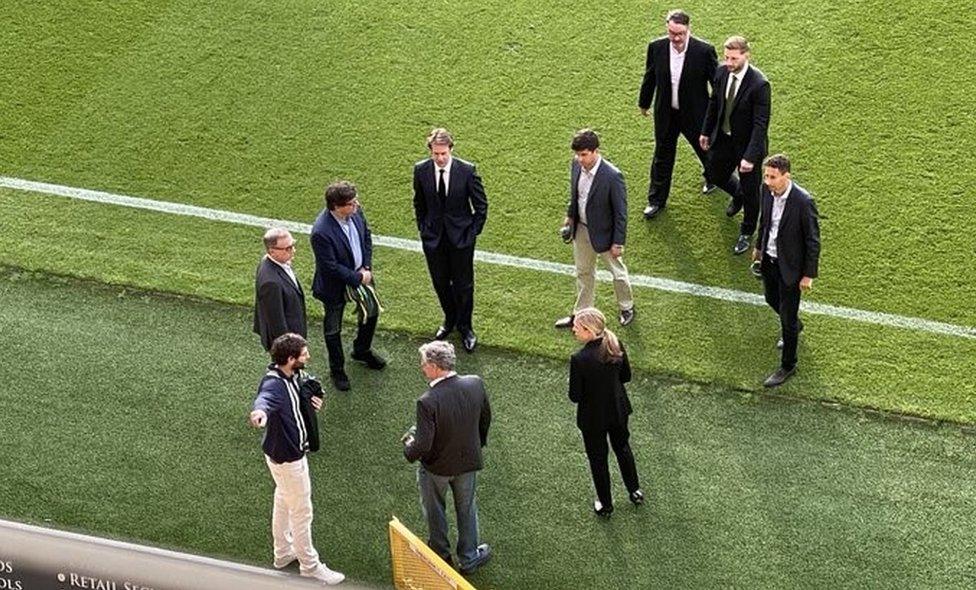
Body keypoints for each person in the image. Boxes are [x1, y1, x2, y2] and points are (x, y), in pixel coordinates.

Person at [248, 333, 345, 586]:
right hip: (289, 460)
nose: (308, 357)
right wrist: (260, 414)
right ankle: (310, 566)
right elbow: (264, 402)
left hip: (282, 457)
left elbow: (296, 403)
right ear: (291, 359)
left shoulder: (290, 376)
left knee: (283, 500)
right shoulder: (274, 385)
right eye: (304, 354)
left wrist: (313, 403)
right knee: (302, 513)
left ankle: (282, 554)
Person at [402, 340, 492, 575]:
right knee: (467, 509)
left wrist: (408, 448)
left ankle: (441, 557)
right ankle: (469, 559)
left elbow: (423, 443)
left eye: (423, 364)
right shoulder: (476, 383)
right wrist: (476, 445)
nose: (422, 368)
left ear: (433, 366)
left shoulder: (427, 401)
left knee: (435, 511)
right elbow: (485, 420)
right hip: (468, 462)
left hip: (436, 469)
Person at [637, 9, 719, 219]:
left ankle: (715, 178)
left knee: (706, 151)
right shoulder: (657, 47)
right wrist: (644, 103)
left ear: (688, 29)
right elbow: (650, 76)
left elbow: (717, 84)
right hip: (666, 114)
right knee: (662, 155)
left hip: (696, 114)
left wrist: (717, 113)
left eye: (680, 33)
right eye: (672, 33)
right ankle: (656, 200)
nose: (676, 38)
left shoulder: (704, 51)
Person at [413, 128, 489, 353]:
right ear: (430, 151)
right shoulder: (421, 170)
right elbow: (419, 203)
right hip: (434, 239)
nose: (440, 158)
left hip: (461, 239)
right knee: (440, 282)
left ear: (451, 149)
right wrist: (424, 229)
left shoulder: (467, 170)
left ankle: (465, 327)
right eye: (436, 153)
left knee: (464, 285)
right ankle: (449, 320)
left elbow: (481, 205)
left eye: (443, 153)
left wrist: (472, 232)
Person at [555, 129, 636, 329]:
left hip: (606, 234)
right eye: (577, 154)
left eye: (584, 154)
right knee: (583, 273)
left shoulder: (612, 176)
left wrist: (618, 242)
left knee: (617, 272)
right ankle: (581, 313)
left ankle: (627, 307)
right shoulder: (575, 165)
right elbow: (575, 194)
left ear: (595, 151)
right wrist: (570, 216)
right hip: (581, 229)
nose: (579, 159)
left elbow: (621, 213)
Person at [310, 181, 386, 392]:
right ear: (336, 206)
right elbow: (329, 267)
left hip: (362, 274)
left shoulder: (355, 212)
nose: (357, 205)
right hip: (336, 286)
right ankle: (337, 369)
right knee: (333, 327)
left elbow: (367, 237)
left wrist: (367, 267)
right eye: (351, 203)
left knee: (371, 312)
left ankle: (361, 350)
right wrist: (357, 277)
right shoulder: (321, 231)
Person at [568, 308, 644, 517]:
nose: (573, 330)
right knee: (623, 448)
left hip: (593, 419)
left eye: (576, 327)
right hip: (618, 411)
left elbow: (575, 396)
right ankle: (635, 491)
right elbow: (626, 376)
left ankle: (606, 504)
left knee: (598, 459)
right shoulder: (615, 343)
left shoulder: (579, 359)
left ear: (588, 330)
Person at [753, 154, 821, 387]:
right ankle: (794, 325)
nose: (768, 181)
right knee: (770, 298)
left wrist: (808, 274)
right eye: (766, 176)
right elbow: (765, 220)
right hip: (770, 261)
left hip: (791, 268)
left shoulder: (803, 202)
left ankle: (788, 365)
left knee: (788, 318)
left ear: (786, 176)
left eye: (773, 177)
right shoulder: (767, 191)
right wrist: (759, 247)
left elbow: (813, 241)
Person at [699, 36, 770, 255]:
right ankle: (736, 193)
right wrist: (705, 131)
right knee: (714, 173)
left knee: (752, 192)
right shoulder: (721, 73)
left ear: (746, 56)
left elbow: (761, 125)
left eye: (734, 58)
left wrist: (749, 157)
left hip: (748, 146)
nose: (729, 62)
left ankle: (747, 232)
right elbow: (714, 103)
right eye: (726, 57)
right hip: (724, 138)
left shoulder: (759, 84)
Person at [253, 228, 308, 351]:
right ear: (272, 251)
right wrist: (291, 349)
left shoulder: (272, 262)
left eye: (292, 245)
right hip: (287, 345)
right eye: (288, 248)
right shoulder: (271, 283)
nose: (293, 250)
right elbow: (277, 323)